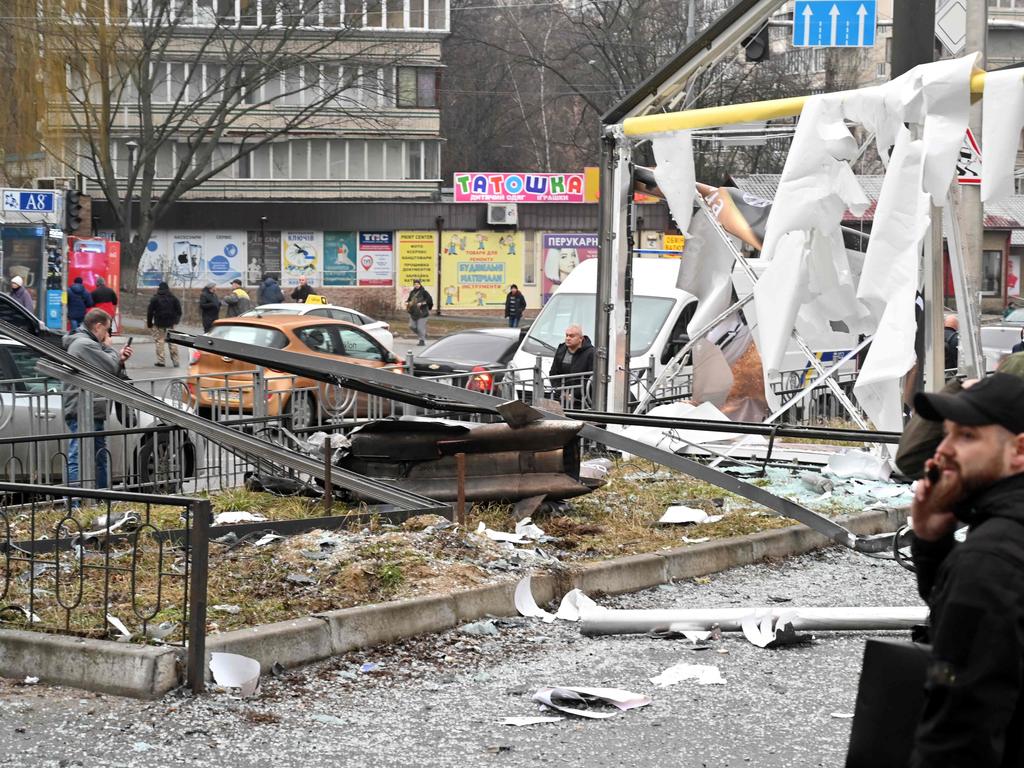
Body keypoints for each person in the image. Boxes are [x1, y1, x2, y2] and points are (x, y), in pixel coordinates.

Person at [908, 372, 1024, 766]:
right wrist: (930, 542)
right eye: (947, 433)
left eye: (967, 437)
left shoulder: (989, 559)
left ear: (1019, 452)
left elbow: (959, 732)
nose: (942, 451)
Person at [63, 308, 133, 490]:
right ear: (98, 326)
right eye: (106, 330)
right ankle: (74, 502)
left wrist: (120, 359)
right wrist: (110, 350)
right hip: (83, 409)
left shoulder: (88, 343)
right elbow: (109, 365)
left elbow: (108, 369)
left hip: (93, 408)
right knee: (77, 457)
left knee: (99, 456)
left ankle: (102, 497)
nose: (107, 335)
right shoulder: (84, 344)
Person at [549, 324, 595, 408]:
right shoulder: (561, 350)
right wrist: (561, 391)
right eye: (566, 335)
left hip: (582, 401)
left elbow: (591, 379)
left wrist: (573, 393)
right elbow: (553, 373)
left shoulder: (591, 353)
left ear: (581, 338)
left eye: (571, 336)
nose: (568, 338)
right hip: (561, 397)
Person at [146, 281, 182, 367]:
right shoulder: (174, 298)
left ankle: (161, 361)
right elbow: (179, 311)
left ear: (159, 288)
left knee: (160, 341)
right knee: (172, 342)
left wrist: (149, 323)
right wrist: (176, 321)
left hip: (159, 323)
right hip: (171, 324)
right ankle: (176, 361)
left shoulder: (155, 299)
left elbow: (150, 312)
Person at [406, 279, 433, 346]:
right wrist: (407, 302)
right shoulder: (412, 292)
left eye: (418, 284)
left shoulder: (424, 292)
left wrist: (422, 303)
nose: (416, 285)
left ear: (420, 284)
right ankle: (423, 335)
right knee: (412, 326)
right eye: (415, 284)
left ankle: (422, 341)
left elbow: (429, 301)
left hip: (422, 313)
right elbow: (409, 299)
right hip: (413, 312)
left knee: (420, 328)